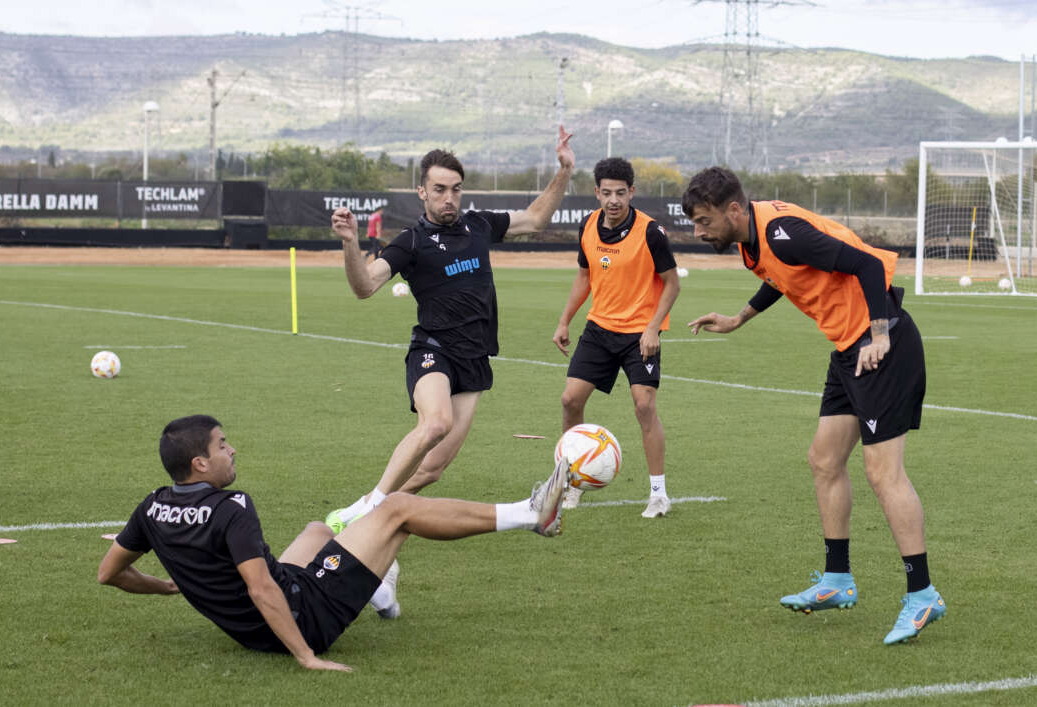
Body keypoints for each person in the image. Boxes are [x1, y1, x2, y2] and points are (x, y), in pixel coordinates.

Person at [681, 166, 945, 645]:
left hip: (879, 346)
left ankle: (922, 592)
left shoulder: (783, 235)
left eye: (704, 221)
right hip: (849, 350)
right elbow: (784, 279)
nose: (699, 232)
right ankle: (837, 581)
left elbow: (866, 265)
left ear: (734, 210)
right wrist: (740, 318)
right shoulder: (753, 242)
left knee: (884, 474)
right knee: (824, 460)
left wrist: (879, 334)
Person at [97, 415, 571, 672]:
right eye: (223, 445)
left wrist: (167, 587)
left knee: (317, 531)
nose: (232, 449)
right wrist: (307, 656)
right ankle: (531, 515)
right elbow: (263, 590)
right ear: (200, 464)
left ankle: (379, 592)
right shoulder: (230, 507)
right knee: (397, 510)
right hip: (302, 616)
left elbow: (109, 573)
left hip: (253, 624)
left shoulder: (152, 506)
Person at [325, 126, 575, 530]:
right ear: (422, 191)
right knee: (436, 423)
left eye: (456, 189)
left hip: (474, 360)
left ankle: (369, 528)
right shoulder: (411, 241)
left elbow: (536, 218)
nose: (449, 198)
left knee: (430, 470)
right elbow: (365, 286)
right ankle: (369, 505)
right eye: (439, 189)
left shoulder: (478, 225)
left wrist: (563, 170)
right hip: (432, 350)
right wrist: (350, 243)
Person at [552, 157, 679, 517]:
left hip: (639, 333)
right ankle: (572, 483)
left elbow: (673, 283)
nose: (613, 200)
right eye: (606, 193)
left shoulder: (651, 232)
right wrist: (564, 321)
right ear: (596, 192)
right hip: (598, 330)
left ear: (632, 192)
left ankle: (658, 494)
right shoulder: (587, 226)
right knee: (570, 400)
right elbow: (583, 277)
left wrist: (654, 327)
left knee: (644, 406)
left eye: (620, 193)